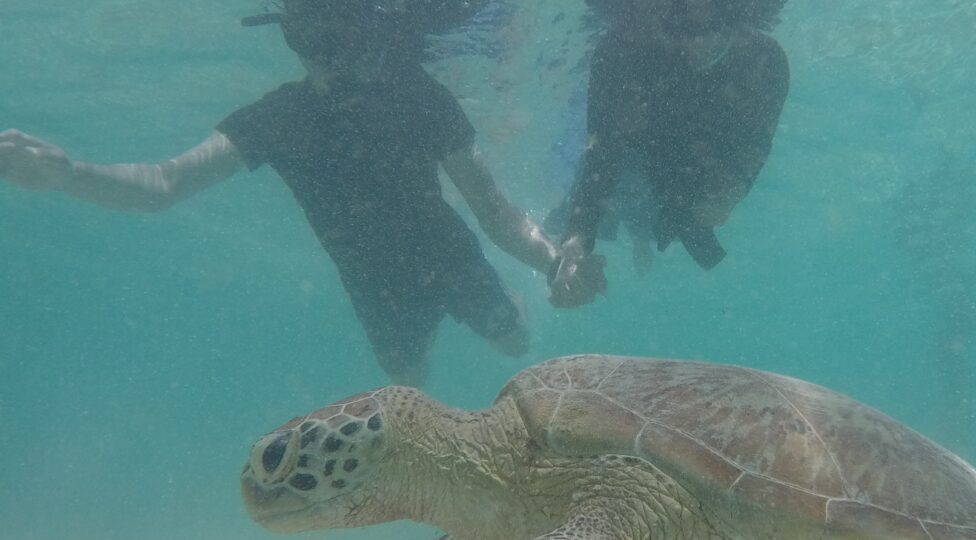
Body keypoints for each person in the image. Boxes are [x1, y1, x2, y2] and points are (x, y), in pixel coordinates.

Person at [0, 0, 601, 387]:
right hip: (372, 283)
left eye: (356, 38)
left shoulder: (419, 96)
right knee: (406, 384)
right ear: (296, 40)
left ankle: (514, 310)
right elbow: (165, 184)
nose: (344, 62)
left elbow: (492, 209)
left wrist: (552, 264)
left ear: (377, 34)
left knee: (513, 341)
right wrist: (68, 174)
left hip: (447, 254)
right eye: (320, 42)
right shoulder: (280, 118)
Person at [546, 0, 789, 306]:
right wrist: (577, 241)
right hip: (638, 155)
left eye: (712, 25)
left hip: (693, 166)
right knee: (613, 187)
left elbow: (756, 142)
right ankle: (637, 234)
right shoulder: (620, 52)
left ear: (735, 18)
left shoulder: (765, 61)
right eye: (680, 26)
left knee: (682, 211)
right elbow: (602, 153)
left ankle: (643, 238)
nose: (697, 41)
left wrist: (734, 188)